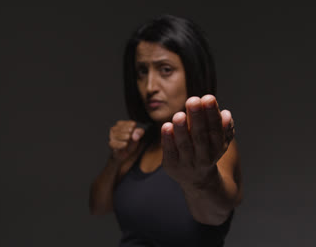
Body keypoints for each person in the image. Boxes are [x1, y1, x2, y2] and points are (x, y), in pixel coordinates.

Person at [89, 14, 242, 247]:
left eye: (166, 70)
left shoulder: (212, 146)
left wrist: (200, 179)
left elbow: (217, 213)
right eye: (142, 71)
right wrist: (114, 161)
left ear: (193, 72)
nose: (150, 87)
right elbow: (98, 206)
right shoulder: (138, 145)